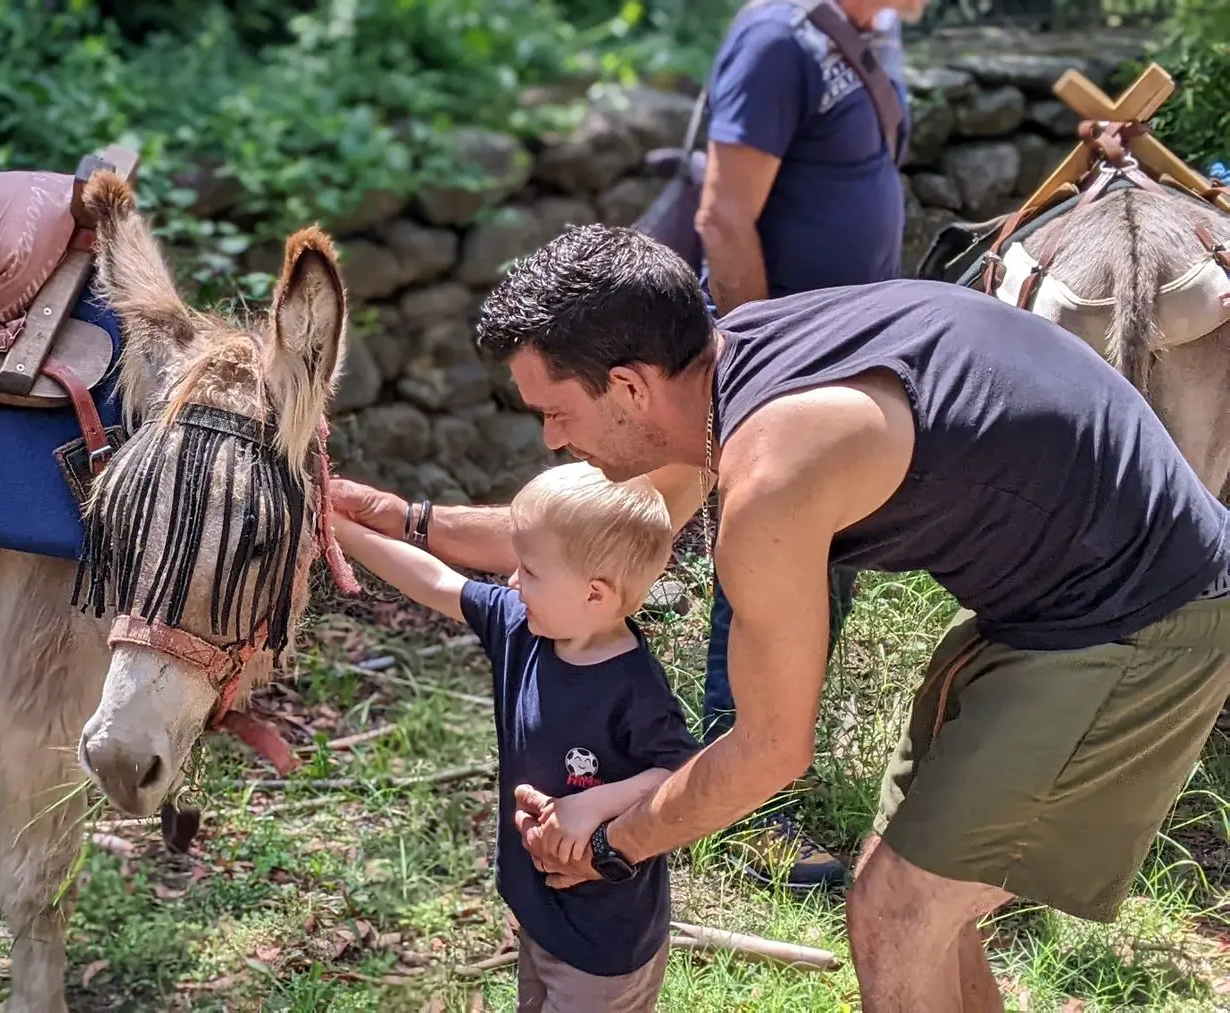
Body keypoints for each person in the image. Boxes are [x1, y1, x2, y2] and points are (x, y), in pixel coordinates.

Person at [337, 223, 1230, 1011]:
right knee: (917, 903)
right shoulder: (731, 365)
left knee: (897, 911)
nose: (551, 442)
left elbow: (770, 751)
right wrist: (405, 519)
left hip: (1144, 617)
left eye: (557, 414)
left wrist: (611, 844)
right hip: (1049, 602)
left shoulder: (773, 474)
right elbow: (578, 532)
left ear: (629, 388)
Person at [689, 0, 925, 888]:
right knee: (763, 579)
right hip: (792, 364)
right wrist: (764, 358)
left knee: (826, 576)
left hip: (846, 358)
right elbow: (723, 216)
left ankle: (773, 765)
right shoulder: (775, 40)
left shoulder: (866, 36)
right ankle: (743, 809)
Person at [331, 462, 701, 1011]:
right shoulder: (524, 629)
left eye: (529, 570)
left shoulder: (634, 690)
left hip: (606, 940)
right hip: (538, 910)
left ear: (595, 594)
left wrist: (593, 805)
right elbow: (436, 582)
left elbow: (683, 775)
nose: (510, 582)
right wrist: (342, 531)